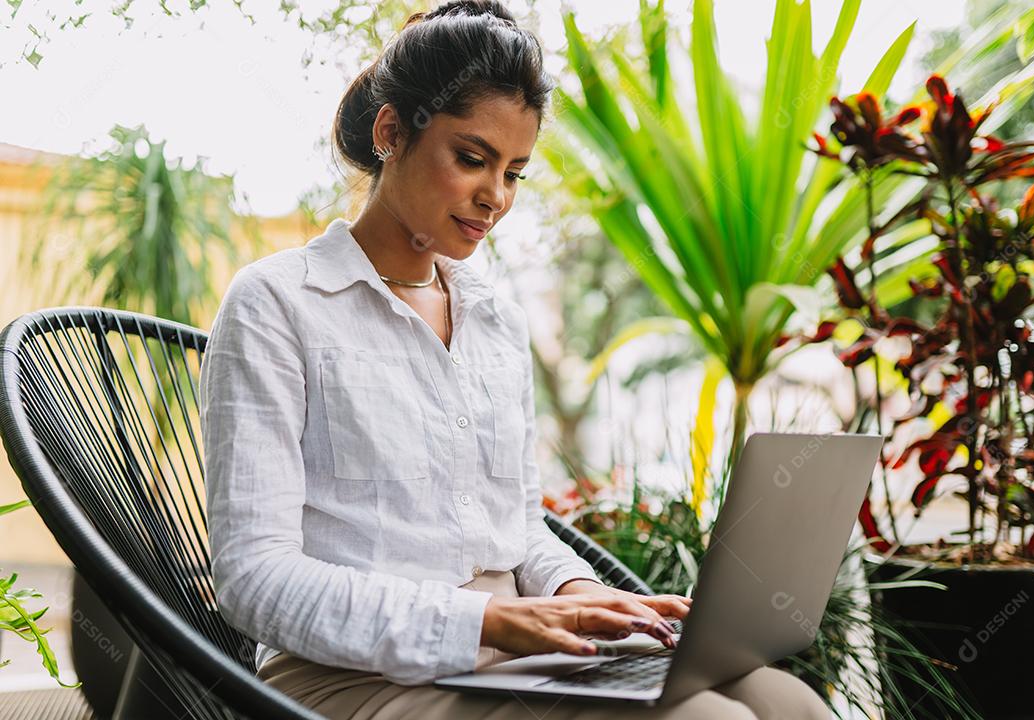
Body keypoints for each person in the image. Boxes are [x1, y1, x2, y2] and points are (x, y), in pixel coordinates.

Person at [200, 1, 833, 717]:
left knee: (791, 703)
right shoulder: (278, 304)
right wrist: (486, 622)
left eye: (515, 173)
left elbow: (516, 529)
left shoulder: (491, 318)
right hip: (348, 677)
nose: (494, 196)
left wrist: (582, 596)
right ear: (390, 133)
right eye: (471, 159)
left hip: (514, 655)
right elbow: (254, 579)